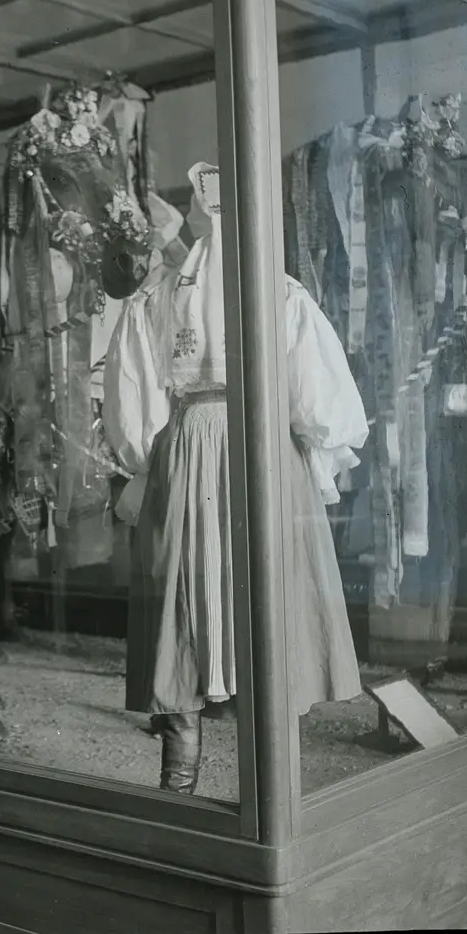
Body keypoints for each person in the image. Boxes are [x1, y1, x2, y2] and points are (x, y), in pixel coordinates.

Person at [103, 163, 369, 794]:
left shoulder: (158, 298)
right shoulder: (280, 292)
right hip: (262, 447)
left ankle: (182, 780)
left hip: (190, 446)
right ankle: (271, 789)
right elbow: (322, 406)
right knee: (265, 592)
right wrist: (318, 457)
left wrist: (148, 462)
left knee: (183, 597)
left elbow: (134, 409)